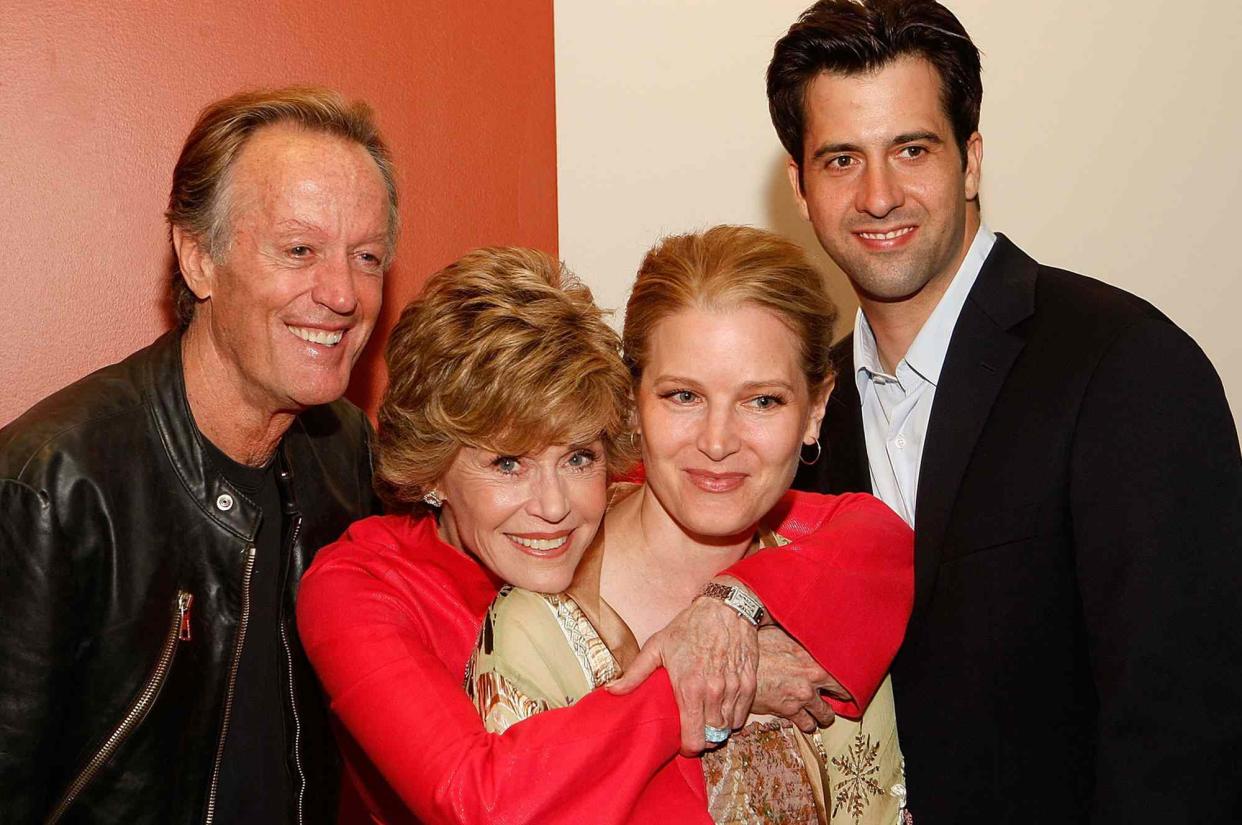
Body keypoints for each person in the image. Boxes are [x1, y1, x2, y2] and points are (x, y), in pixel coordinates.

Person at [768, 1, 1242, 822]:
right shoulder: (802, 415)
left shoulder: (1124, 364)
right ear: (800, 188)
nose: (879, 196)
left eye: (912, 149)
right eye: (842, 159)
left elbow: (1186, 730)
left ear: (972, 160)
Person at [296, 246, 913, 824]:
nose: (554, 507)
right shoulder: (362, 588)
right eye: (507, 463)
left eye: (578, 457)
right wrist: (706, 681)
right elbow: (476, 801)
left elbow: (863, 533)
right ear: (432, 469)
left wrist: (730, 605)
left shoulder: (641, 492)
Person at [0, 87, 395, 824]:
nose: (342, 293)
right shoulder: (54, 483)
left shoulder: (348, 457)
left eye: (367, 256)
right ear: (198, 258)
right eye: (300, 250)